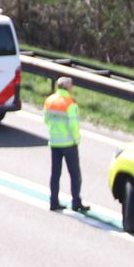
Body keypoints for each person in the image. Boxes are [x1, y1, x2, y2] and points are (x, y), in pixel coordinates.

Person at [44, 77, 88, 212]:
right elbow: (74, 125)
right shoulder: (70, 103)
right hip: (69, 143)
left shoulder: (49, 100)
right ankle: (76, 202)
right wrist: (76, 139)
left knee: (55, 174)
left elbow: (46, 120)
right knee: (75, 174)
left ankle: (53, 202)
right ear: (68, 87)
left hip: (54, 142)